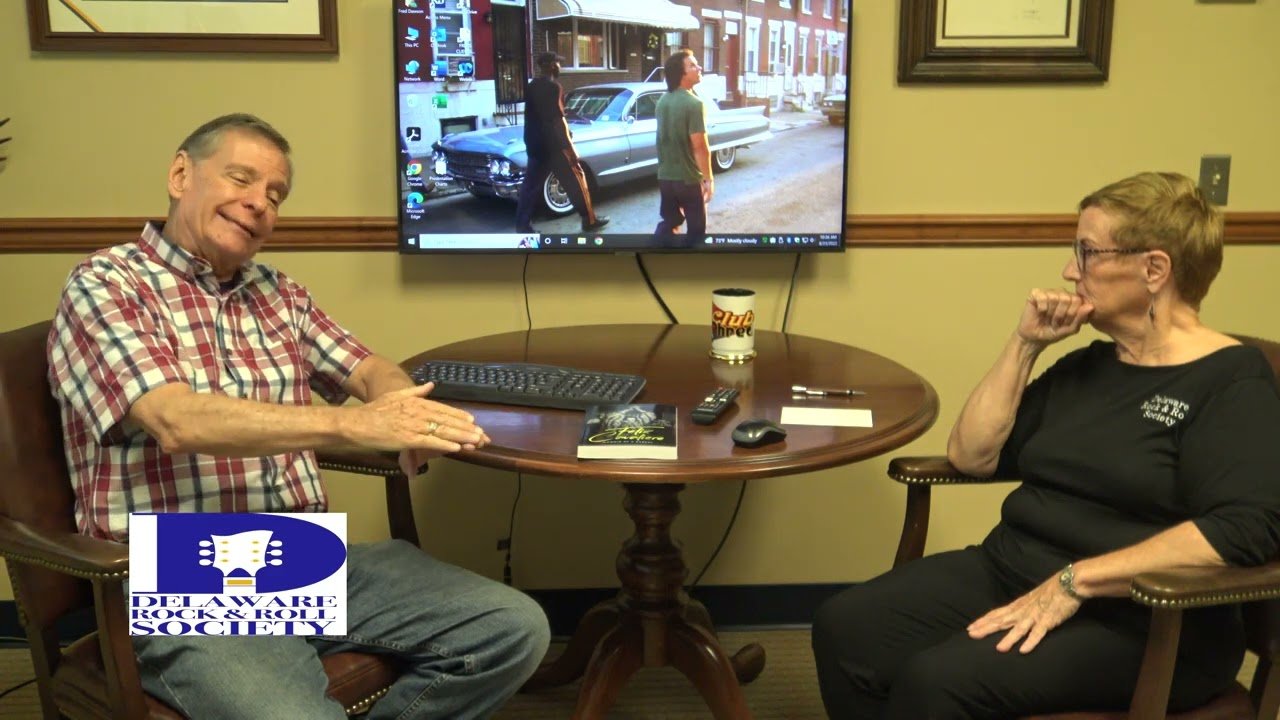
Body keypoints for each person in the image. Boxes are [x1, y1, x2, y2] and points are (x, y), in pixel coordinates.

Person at [46, 113, 551, 720]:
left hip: (297, 555)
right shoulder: (107, 283)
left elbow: (369, 368)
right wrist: (353, 424)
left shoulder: (279, 293)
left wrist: (402, 407)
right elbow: (176, 420)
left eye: (276, 195)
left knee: (513, 628)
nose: (259, 203)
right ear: (181, 175)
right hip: (178, 571)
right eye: (241, 179)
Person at [811, 171, 1280, 718]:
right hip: (1012, 569)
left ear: (1154, 269)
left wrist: (1077, 581)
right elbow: (971, 455)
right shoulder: (1088, 365)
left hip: (1148, 618)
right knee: (846, 628)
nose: (1069, 271)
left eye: (1087, 252)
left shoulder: (1231, 381)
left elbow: (1244, 529)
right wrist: (1025, 344)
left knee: (936, 682)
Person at [515, 52, 608, 234]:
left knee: (530, 187)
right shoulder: (554, 87)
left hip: (535, 144)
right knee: (576, 180)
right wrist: (570, 149)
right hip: (555, 146)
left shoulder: (532, 86)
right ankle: (589, 220)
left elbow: (534, 117)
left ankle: (522, 225)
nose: (560, 67)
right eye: (558, 63)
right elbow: (558, 121)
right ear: (551, 65)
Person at [654, 49, 713, 246]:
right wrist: (708, 179)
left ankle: (655, 252)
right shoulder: (694, 104)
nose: (699, 68)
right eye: (693, 65)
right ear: (682, 74)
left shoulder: (662, 101)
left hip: (665, 177)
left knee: (670, 222)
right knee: (696, 232)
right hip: (688, 180)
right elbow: (700, 147)